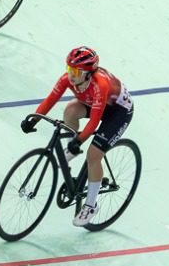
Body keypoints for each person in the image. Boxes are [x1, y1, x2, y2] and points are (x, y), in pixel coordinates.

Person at [22, 47, 134, 227]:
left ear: (88, 73)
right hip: (94, 103)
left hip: (118, 113)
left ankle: (90, 206)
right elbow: (50, 100)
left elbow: (94, 121)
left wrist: (80, 140)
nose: (71, 75)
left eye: (76, 72)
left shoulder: (100, 85)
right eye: (69, 69)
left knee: (93, 155)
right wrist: (33, 120)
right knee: (70, 110)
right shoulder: (67, 79)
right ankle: (72, 150)